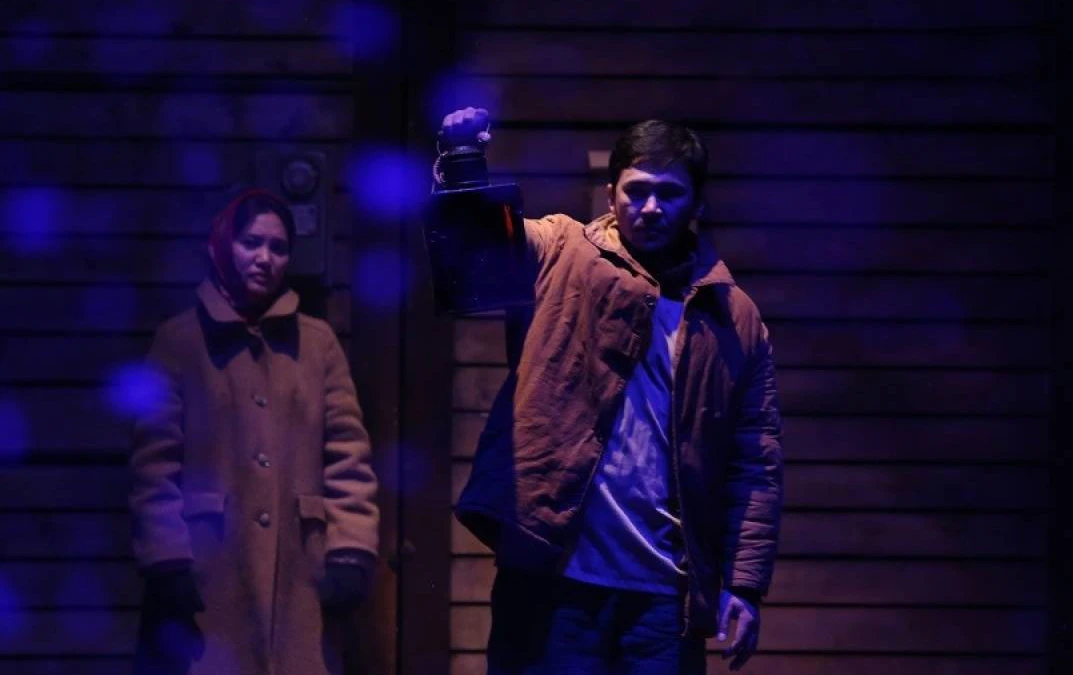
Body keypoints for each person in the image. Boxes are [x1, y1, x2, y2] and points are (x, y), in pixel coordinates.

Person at [441, 108, 783, 674]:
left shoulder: (733, 317)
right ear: (610, 193)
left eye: (668, 193)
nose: (650, 207)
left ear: (697, 204)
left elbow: (756, 460)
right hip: (553, 577)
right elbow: (478, 255)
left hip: (662, 598)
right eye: (636, 190)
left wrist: (744, 584)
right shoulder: (561, 249)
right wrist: (462, 160)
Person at [128, 188, 380, 675]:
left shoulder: (317, 344)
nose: (265, 258)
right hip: (207, 571)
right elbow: (154, 464)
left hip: (300, 579)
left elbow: (348, 455)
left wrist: (350, 548)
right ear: (222, 247)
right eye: (251, 243)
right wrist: (167, 558)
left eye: (278, 247)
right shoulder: (179, 341)